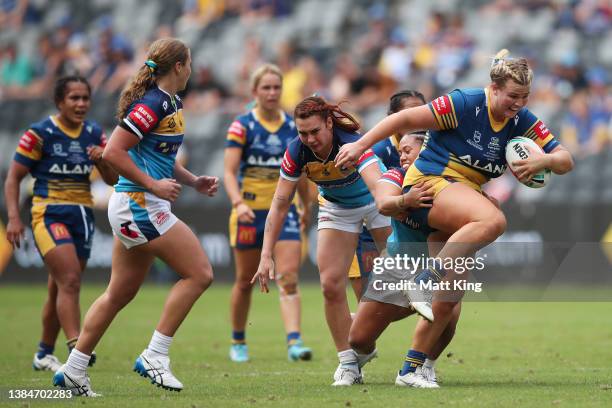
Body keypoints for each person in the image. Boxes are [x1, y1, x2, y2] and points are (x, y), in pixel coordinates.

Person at [336, 49, 574, 387]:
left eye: (525, 97)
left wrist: (543, 162)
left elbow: (566, 160)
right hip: (430, 188)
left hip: (459, 204)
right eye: (512, 96)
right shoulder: (464, 104)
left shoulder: (520, 121)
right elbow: (401, 125)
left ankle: (412, 369)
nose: (519, 103)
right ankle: (408, 300)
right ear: (493, 89)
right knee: (360, 338)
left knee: (453, 291)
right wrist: (360, 146)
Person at [52, 38, 219, 396]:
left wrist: (193, 181)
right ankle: (155, 355)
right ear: (179, 66)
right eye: (189, 62)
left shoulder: (171, 101)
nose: (191, 68)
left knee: (118, 293)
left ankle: (73, 370)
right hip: (138, 202)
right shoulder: (154, 102)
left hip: (137, 203)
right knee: (200, 273)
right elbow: (114, 151)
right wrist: (154, 186)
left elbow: (161, 152)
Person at [252, 96, 391, 386]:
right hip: (337, 207)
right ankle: (349, 364)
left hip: (378, 202)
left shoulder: (352, 142)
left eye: (315, 131)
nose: (309, 139)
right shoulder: (296, 153)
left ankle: (414, 356)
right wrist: (266, 255)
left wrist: (394, 209)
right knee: (330, 284)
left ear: (329, 123)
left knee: (402, 282)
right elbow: (279, 205)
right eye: (303, 133)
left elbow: (379, 187)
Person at [4, 75, 117, 373]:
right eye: (74, 98)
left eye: (85, 98)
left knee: (59, 288)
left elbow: (113, 180)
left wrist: (103, 160)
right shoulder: (39, 134)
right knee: (70, 280)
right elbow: (13, 178)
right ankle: (76, 344)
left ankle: (43, 353)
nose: (81, 104)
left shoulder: (94, 133)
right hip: (48, 213)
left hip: (82, 215)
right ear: (59, 102)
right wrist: (15, 218)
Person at [349, 132, 462, 389]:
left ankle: (423, 367)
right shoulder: (396, 175)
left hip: (437, 264)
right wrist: (406, 200)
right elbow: (382, 203)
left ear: (427, 152)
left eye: (408, 150)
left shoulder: (450, 182)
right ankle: (398, 310)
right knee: (358, 339)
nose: (402, 155)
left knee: (449, 309)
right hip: (398, 262)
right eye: (400, 150)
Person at [224, 63, 312, 363]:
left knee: (287, 276)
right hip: (250, 212)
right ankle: (238, 340)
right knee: (245, 279)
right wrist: (239, 203)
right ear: (254, 92)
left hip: (285, 211)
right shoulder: (242, 126)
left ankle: (294, 342)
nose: (273, 93)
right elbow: (228, 171)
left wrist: (307, 206)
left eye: (277, 87)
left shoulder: (293, 127)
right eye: (267, 87)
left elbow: (300, 174)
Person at [348, 90, 429, 301]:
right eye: (408, 111)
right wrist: (400, 203)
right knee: (370, 299)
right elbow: (372, 196)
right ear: (392, 117)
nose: (415, 116)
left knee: (425, 297)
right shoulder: (378, 151)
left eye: (420, 110)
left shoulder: (434, 147)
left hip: (409, 233)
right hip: (371, 228)